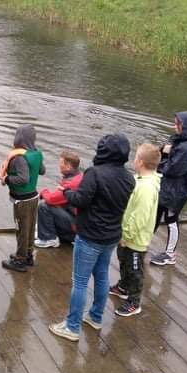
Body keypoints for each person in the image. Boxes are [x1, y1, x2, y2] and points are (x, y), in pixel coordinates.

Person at [48, 134, 135, 342]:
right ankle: (96, 317)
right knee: (102, 276)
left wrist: (66, 192)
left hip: (90, 236)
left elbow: (80, 200)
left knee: (79, 282)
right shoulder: (129, 177)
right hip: (111, 236)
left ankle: (72, 327)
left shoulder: (94, 173)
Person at [109, 144, 161, 317]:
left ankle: (134, 302)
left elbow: (140, 216)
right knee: (123, 260)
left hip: (135, 239)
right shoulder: (139, 179)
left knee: (135, 269)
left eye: (136, 157)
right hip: (126, 234)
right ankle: (123, 287)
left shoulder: (146, 188)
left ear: (140, 162)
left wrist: (127, 235)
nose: (133, 159)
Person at [150, 111, 187, 266]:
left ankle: (170, 254)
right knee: (154, 215)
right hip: (167, 188)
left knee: (171, 220)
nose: (174, 126)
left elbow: (171, 169)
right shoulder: (177, 141)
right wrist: (163, 150)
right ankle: (144, 242)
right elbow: (166, 158)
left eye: (177, 124)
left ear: (185, 127)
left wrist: (157, 163)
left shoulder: (186, 149)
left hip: (176, 193)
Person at [0, 125, 45, 272]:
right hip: (34, 197)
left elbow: (23, 179)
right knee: (30, 227)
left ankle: (20, 259)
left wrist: (6, 179)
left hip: (22, 201)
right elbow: (42, 171)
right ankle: (28, 255)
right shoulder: (36, 154)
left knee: (21, 229)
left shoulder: (20, 158)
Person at [35, 151, 83, 248]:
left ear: (68, 167)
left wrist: (43, 192)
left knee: (44, 205)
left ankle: (49, 238)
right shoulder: (78, 176)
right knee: (54, 204)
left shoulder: (72, 183)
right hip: (78, 222)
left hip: (75, 229)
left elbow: (51, 199)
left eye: (61, 164)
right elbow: (58, 198)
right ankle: (47, 231)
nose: (59, 166)